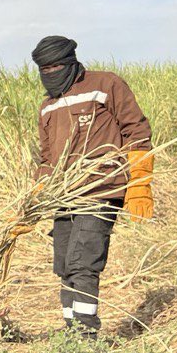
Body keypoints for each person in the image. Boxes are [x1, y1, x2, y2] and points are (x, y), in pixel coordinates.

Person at [30, 35, 153, 335]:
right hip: (64, 196)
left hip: (100, 189)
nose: (51, 73)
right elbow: (47, 158)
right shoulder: (48, 107)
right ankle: (71, 331)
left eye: (56, 66)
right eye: (44, 69)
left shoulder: (105, 85)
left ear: (71, 62)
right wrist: (34, 199)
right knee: (64, 267)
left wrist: (140, 184)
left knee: (83, 264)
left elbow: (136, 130)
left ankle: (85, 336)